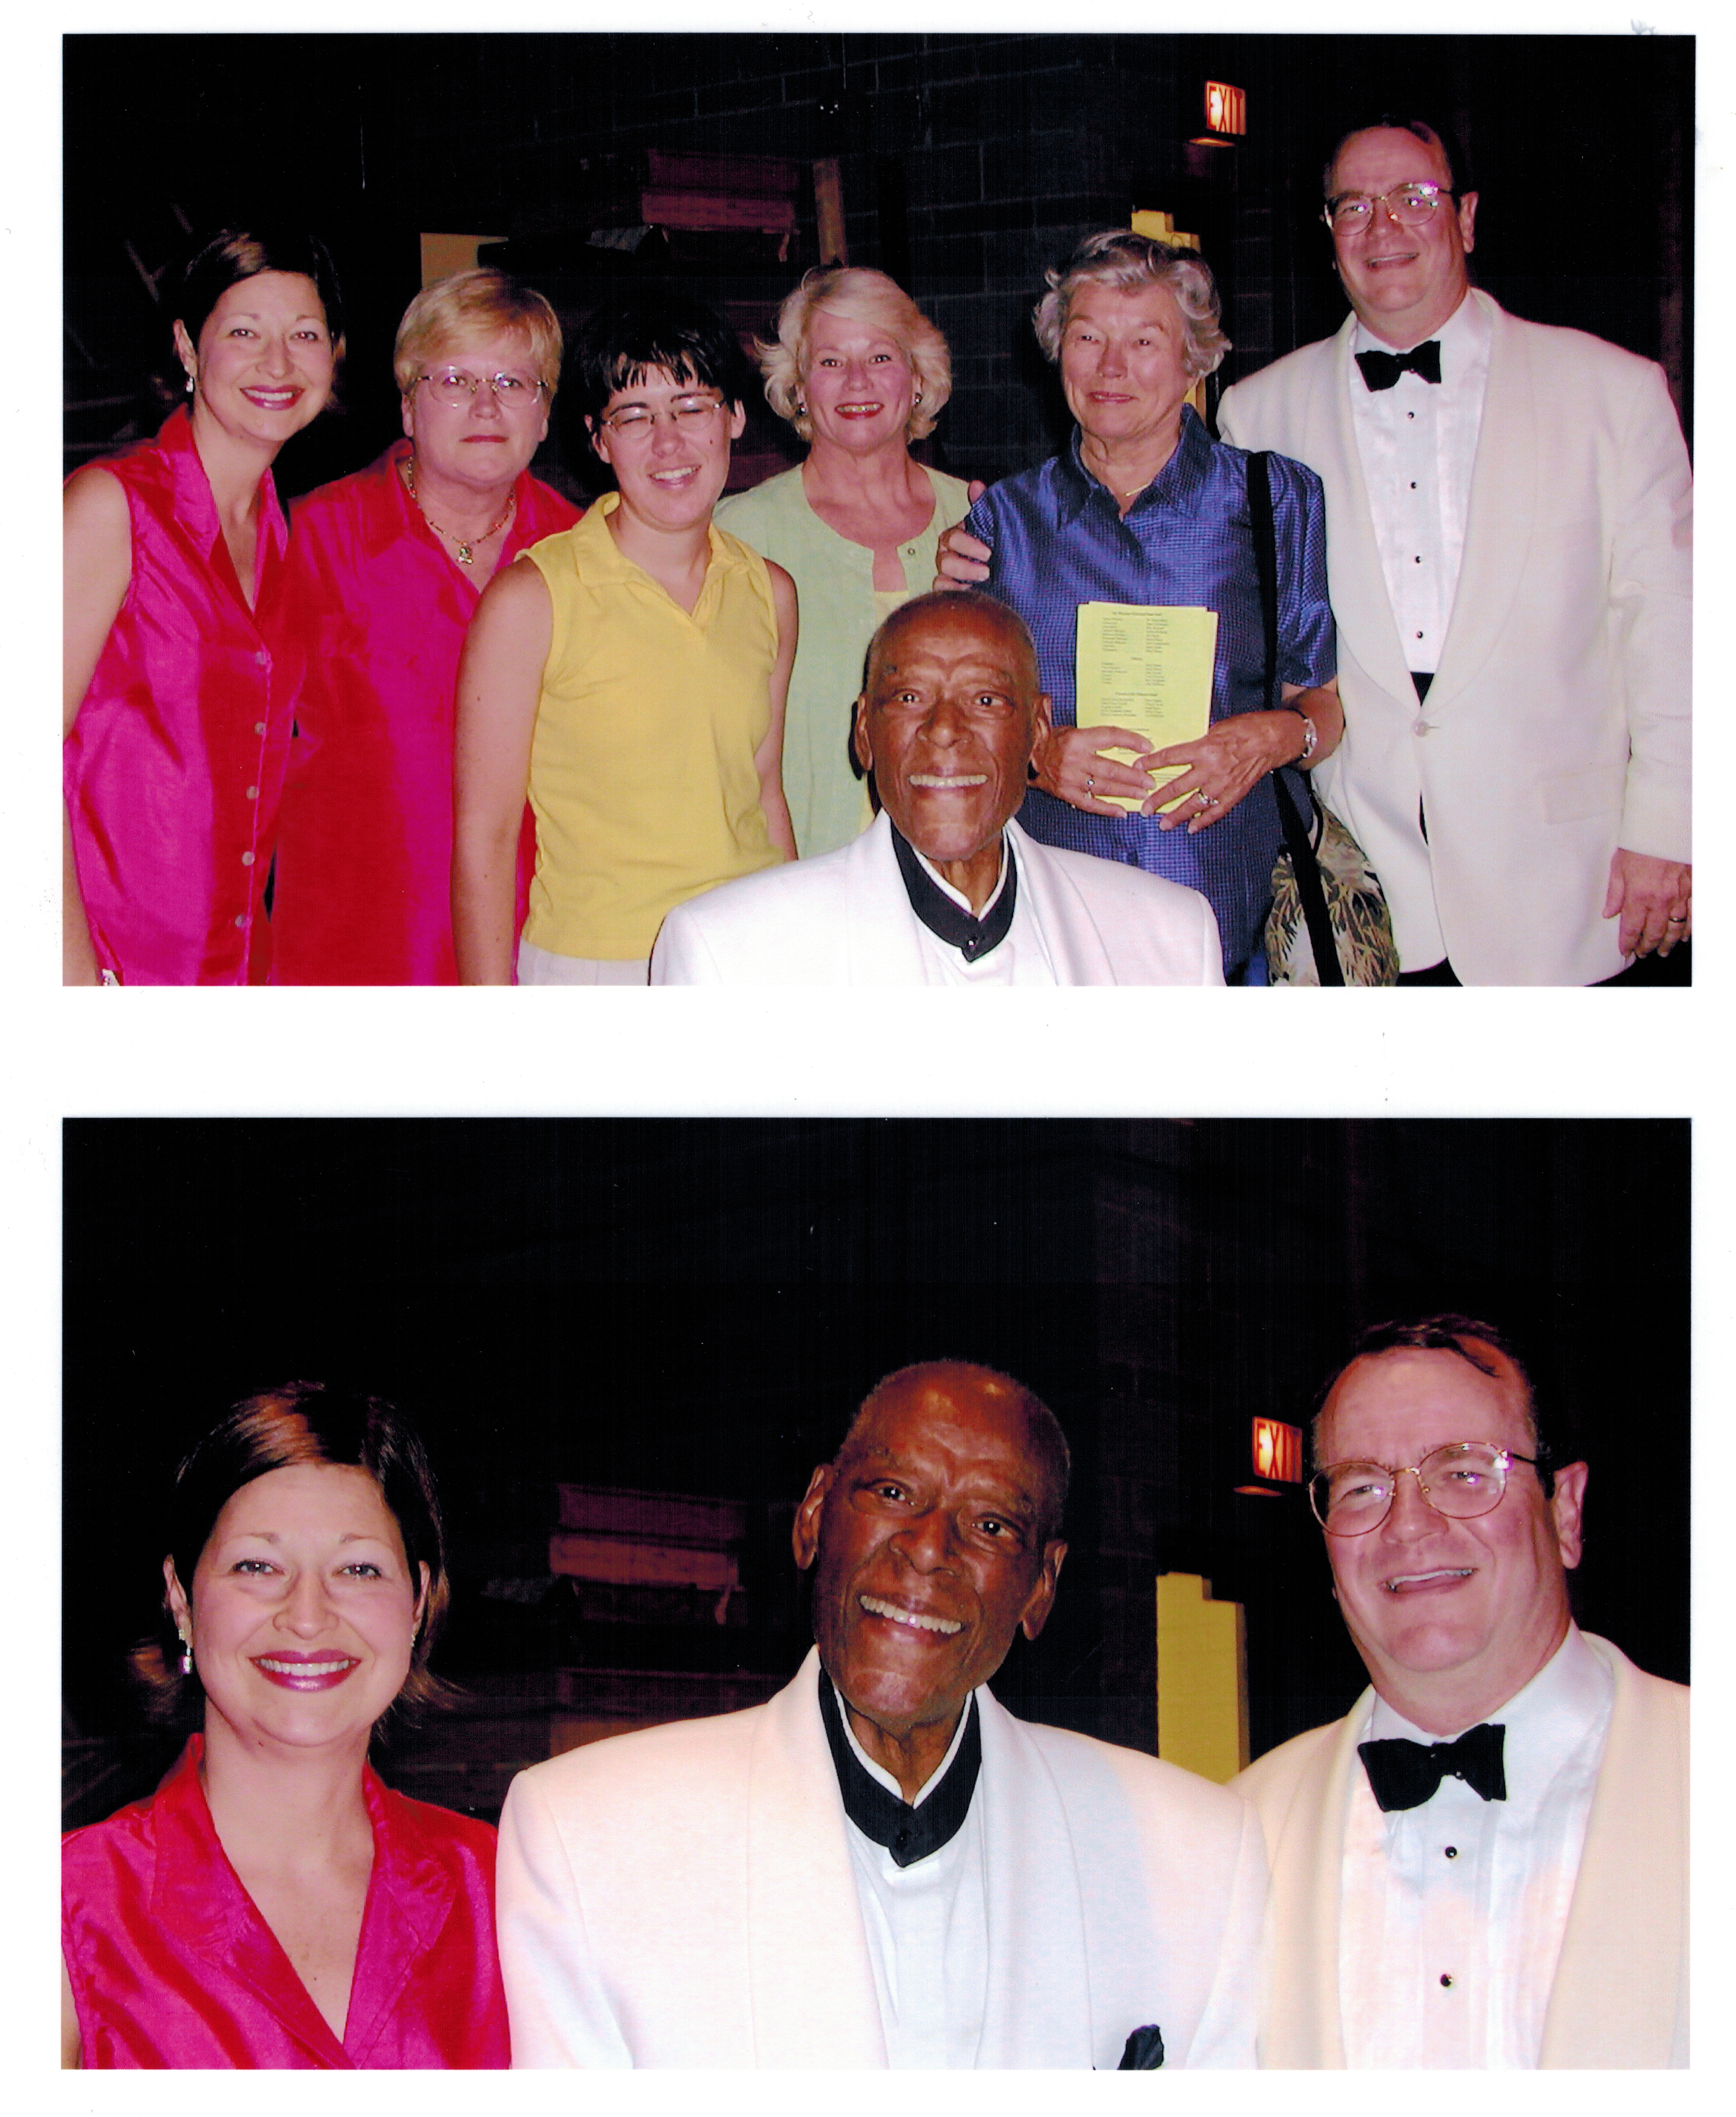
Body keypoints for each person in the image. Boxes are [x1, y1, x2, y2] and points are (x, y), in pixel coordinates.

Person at [495, 1360, 1263, 2067]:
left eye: (991, 1524)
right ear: (813, 1514)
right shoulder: (590, 1836)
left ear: (1040, 1586)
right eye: (893, 1493)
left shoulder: (1195, 1852)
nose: (929, 1549)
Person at [1215, 119, 1692, 984]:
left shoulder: (1612, 392)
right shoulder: (1256, 414)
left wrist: (1670, 827)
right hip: (1368, 895)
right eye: (1353, 205)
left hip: (1574, 889)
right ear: (1328, 234)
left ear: (1466, 218)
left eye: (1414, 198)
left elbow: (1675, 626)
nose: (1382, 226)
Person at [1234, 1317, 1687, 2067]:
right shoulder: (1237, 1834)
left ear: (1565, 1510)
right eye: (1362, 1486)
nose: (1409, 1526)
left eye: (1465, 1472)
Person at [61, 1383, 510, 2068]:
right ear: (181, 1601)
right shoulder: (64, 1906)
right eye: (257, 1566)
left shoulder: (507, 1890)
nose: (307, 1616)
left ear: (418, 1602)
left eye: (358, 1569)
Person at [935, 230, 1341, 982]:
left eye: (1144, 341)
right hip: (1052, 921)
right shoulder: (1004, 523)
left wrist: (1270, 737)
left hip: (1225, 913)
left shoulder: (1275, 499)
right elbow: (963, 715)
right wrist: (1036, 754)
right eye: (1088, 337)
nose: (1111, 367)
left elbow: (1320, 704)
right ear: (1058, 351)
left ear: (1194, 358)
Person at [453, 293, 797, 983]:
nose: (668, 444)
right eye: (634, 416)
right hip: (598, 966)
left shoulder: (770, 592)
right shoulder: (533, 599)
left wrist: (796, 951)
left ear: (733, 416)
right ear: (598, 439)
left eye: (691, 407)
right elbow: (484, 838)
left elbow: (764, 792)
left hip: (747, 949)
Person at [652, 590, 1222, 984]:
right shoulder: (730, 954)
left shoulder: (1170, 938)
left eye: (985, 700)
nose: (944, 729)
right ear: (864, 732)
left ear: (1038, 732)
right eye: (909, 698)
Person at [271, 270, 580, 984]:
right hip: (356, 964)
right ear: (408, 406)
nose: (485, 406)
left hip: (538, 954)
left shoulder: (583, 554)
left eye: (512, 383)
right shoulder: (311, 542)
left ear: (544, 414)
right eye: (454, 380)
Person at [63, 229, 342, 984]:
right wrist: (72, 983)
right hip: (112, 971)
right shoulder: (112, 508)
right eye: (245, 332)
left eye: (305, 335)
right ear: (188, 348)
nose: (278, 364)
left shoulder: (283, 533)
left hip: (232, 969)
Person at [714, 267, 973, 857]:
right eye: (830, 361)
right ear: (799, 387)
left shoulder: (980, 521)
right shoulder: (740, 536)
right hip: (799, 878)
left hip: (959, 877)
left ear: (917, 379)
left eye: (881, 357)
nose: (857, 381)